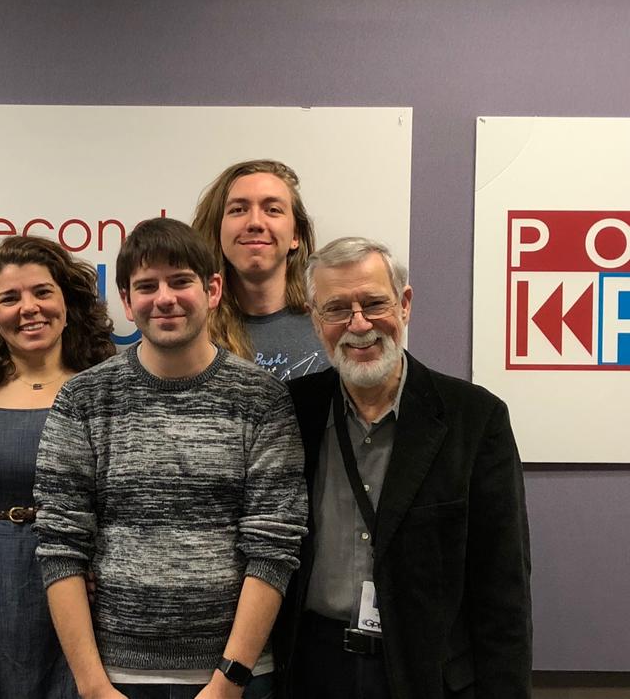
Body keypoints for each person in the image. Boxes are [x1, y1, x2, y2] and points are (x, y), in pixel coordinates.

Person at [34, 217, 307, 699]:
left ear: (213, 288)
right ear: (126, 300)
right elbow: (60, 546)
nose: (165, 298)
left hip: (236, 677)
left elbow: (274, 547)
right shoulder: (84, 399)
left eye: (181, 281)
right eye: (146, 285)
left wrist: (228, 681)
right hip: (116, 678)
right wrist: (93, 685)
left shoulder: (261, 399)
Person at [273, 237, 532, 699]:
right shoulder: (293, 411)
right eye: (336, 309)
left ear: (405, 304)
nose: (359, 325)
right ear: (316, 320)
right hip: (312, 668)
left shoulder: (474, 419)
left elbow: (502, 589)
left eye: (374, 304)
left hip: (426, 673)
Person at [0, 234, 115, 699]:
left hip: (86, 587)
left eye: (42, 292)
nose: (29, 308)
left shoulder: (106, 385)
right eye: (9, 298)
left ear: (68, 302)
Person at [192, 159, 326, 379]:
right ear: (218, 230)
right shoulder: (191, 332)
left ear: (296, 236)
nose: (255, 222)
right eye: (238, 210)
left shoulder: (329, 324)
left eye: (272, 210)